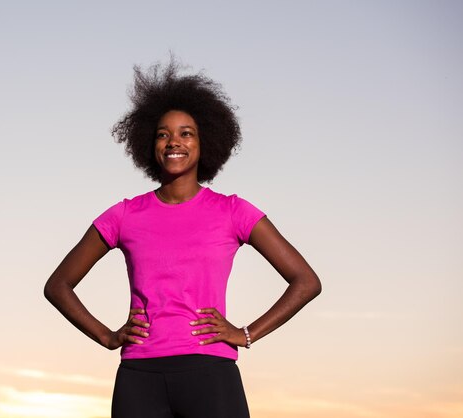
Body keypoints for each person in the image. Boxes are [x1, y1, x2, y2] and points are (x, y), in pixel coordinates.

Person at [44, 58, 321, 418]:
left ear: (205, 142)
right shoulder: (124, 215)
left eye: (186, 133)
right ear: (150, 143)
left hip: (211, 372)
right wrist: (107, 336)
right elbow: (58, 285)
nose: (174, 141)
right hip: (139, 377)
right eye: (163, 133)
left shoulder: (233, 211)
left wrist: (247, 333)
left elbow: (306, 282)